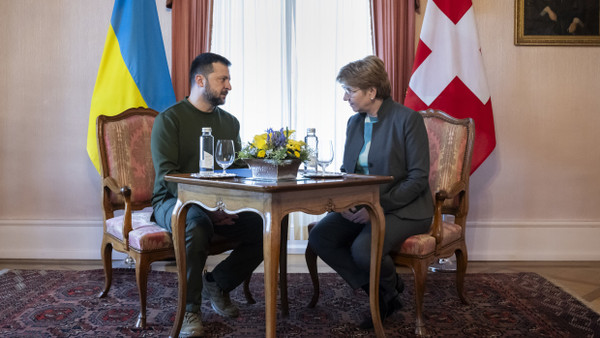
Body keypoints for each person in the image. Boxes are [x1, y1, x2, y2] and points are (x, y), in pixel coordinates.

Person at [307, 55, 433, 329]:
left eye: (350, 91)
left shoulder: (407, 119)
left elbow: (418, 178)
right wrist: (341, 202)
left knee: (363, 250)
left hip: (404, 208)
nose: (344, 98)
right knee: (320, 236)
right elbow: (346, 170)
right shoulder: (355, 123)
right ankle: (386, 291)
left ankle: (384, 295)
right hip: (360, 205)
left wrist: (376, 208)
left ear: (372, 91)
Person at [151, 52, 263, 337]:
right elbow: (168, 176)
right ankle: (190, 310)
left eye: (228, 79)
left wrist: (263, 171)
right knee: (197, 223)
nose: (229, 85)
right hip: (172, 201)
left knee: (269, 223)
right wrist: (209, 208)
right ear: (200, 80)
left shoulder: (230, 122)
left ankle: (219, 282)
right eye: (222, 79)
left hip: (221, 204)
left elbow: (236, 169)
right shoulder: (169, 120)